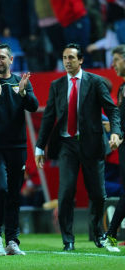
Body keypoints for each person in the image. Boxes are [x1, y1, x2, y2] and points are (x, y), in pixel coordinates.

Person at [35, 43, 122, 251]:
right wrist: (39, 147)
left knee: (99, 194)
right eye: (65, 58)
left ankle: (98, 233)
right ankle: (68, 240)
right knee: (65, 193)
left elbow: (112, 110)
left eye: (71, 58)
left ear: (81, 60)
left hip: (92, 144)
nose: (67, 61)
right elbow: (48, 119)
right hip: (67, 145)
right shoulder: (57, 85)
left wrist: (116, 132)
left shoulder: (95, 82)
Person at [0, 43, 39, 256]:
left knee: (14, 194)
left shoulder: (19, 82)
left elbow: (34, 106)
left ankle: (12, 241)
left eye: (2, 57)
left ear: (11, 60)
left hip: (18, 147)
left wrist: (24, 93)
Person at [102, 44, 125, 252]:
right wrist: (115, 131)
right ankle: (111, 235)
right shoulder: (122, 87)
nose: (113, 65)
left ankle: (111, 234)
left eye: (117, 59)